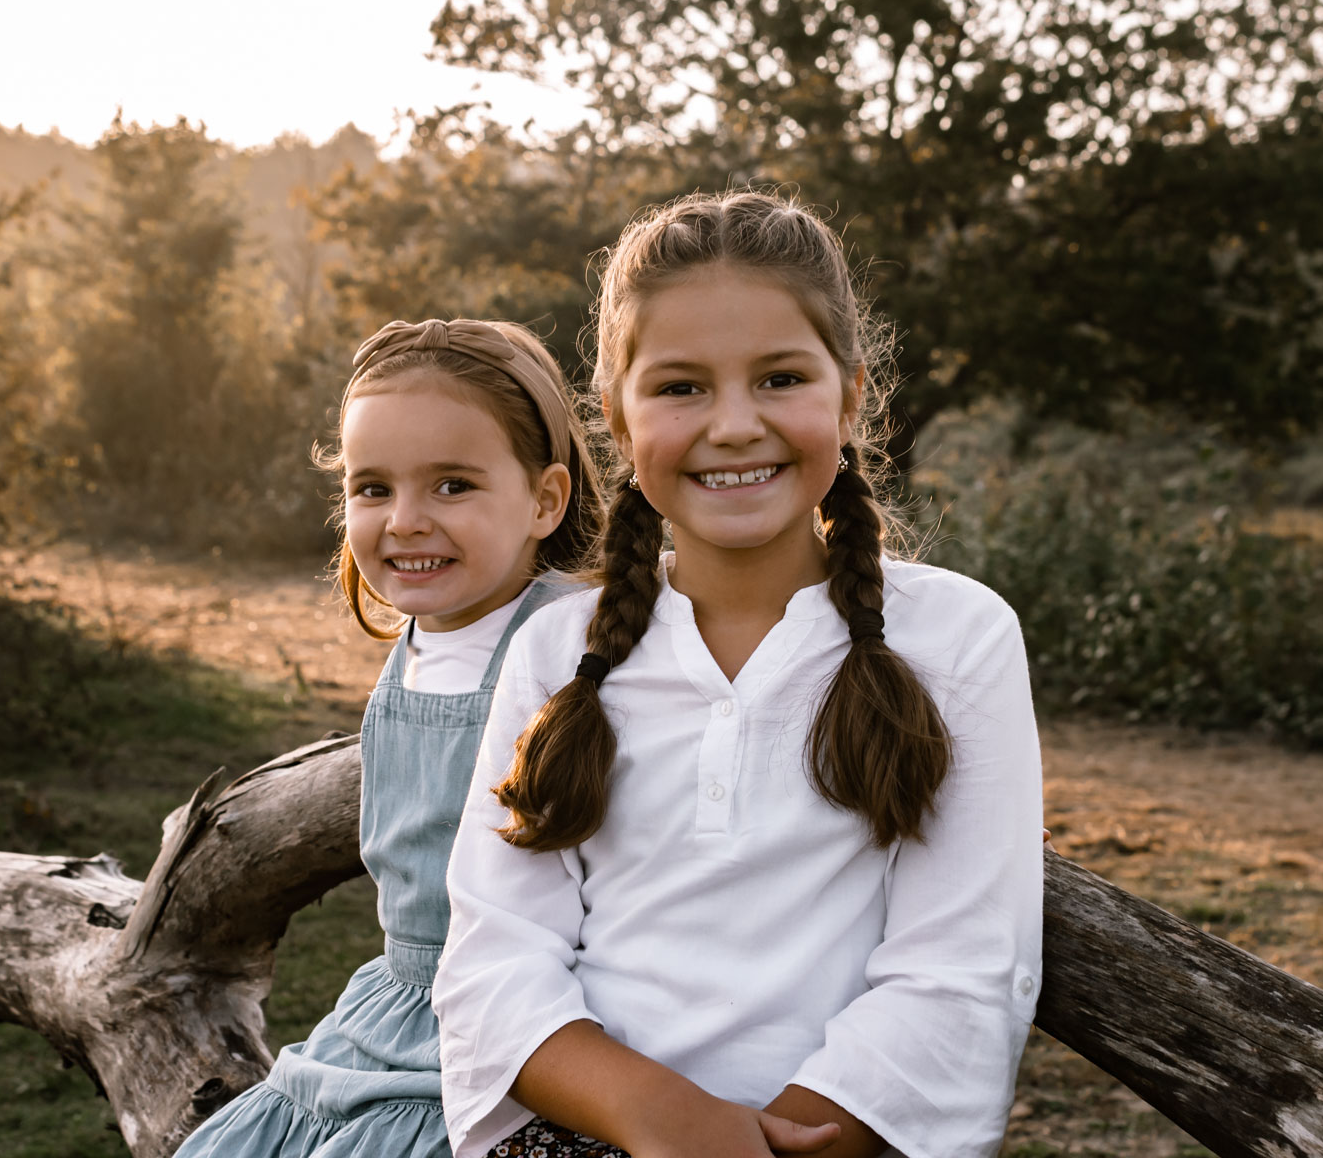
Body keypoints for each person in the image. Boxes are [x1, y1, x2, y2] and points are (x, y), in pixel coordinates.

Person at [432, 191, 1044, 1158]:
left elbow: (963, 964)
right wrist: (669, 1124)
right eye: (680, 388)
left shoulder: (958, 637)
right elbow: (496, 958)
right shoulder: (558, 651)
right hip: (583, 1135)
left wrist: (777, 1142)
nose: (732, 425)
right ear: (617, 421)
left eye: (780, 378)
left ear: (849, 397)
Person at [174, 317, 604, 1158]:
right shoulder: (413, 645)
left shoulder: (566, 641)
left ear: (544, 500)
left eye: (451, 485)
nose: (405, 520)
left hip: (523, 1008)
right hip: (400, 996)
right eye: (372, 489)